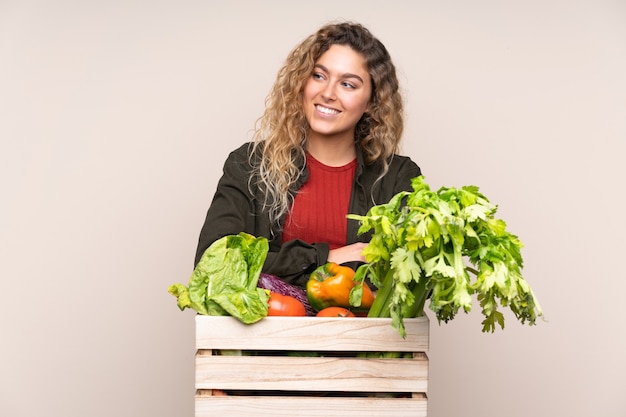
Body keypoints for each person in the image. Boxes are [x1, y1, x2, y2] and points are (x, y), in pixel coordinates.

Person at [195, 21, 421, 288]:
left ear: (372, 102)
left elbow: (412, 279)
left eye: (348, 84)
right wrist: (326, 259)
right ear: (301, 82)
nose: (327, 93)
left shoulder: (396, 178)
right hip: (266, 329)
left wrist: (276, 266)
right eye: (318, 75)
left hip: (359, 331)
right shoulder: (250, 165)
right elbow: (212, 263)